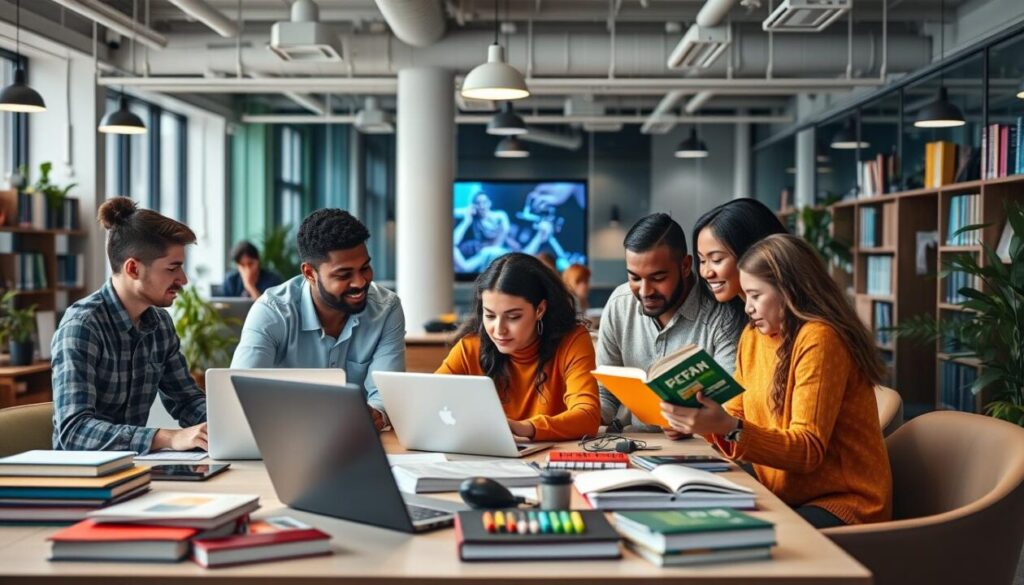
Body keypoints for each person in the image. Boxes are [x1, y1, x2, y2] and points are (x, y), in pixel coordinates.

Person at [660, 234, 892, 528]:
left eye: (756, 295)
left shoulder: (820, 339)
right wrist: (698, 422)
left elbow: (808, 450)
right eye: (746, 296)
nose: (747, 308)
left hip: (844, 503)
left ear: (789, 291)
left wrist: (726, 427)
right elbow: (737, 416)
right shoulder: (753, 338)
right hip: (783, 494)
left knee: (728, 538)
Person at [51, 197, 207, 453]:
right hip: (81, 480)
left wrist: (230, 428)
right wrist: (168, 438)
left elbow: (187, 400)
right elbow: (75, 432)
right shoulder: (82, 327)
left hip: (134, 470)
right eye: (172, 268)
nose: (183, 279)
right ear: (133, 268)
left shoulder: (159, 324)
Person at [231, 209, 405, 431]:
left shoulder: (387, 310)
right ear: (309, 273)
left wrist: (376, 414)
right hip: (284, 439)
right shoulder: (271, 312)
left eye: (365, 268)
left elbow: (384, 397)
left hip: (358, 442)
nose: (361, 282)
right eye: (344, 275)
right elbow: (239, 398)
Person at [597, 213, 743, 434]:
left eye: (657, 278)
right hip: (636, 444)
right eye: (635, 278)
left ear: (685, 266)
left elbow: (731, 407)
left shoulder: (722, 316)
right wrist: (583, 414)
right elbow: (606, 394)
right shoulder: (619, 303)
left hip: (702, 448)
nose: (645, 291)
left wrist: (693, 422)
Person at [436, 253, 600, 441]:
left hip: (548, 460)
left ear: (540, 310)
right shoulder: (470, 347)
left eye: (513, 317)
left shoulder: (572, 341)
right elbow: (429, 400)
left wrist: (527, 428)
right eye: (489, 316)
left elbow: (588, 417)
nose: (499, 330)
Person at [692, 198, 788, 328]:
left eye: (717, 260)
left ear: (752, 254)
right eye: (702, 260)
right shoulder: (730, 319)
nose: (705, 272)